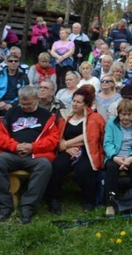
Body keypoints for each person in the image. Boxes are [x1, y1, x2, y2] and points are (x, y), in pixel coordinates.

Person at [0, 85, 59, 224]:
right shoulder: (11, 113)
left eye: (29, 104)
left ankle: (28, 208)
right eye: (22, 103)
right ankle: (4, 206)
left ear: (37, 99)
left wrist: (33, 147)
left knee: (45, 166)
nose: (25, 107)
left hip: (36, 155)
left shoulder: (47, 116)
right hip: (12, 152)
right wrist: (15, 146)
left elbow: (53, 140)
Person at [45, 86, 105, 214]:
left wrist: (67, 143)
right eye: (74, 101)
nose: (75, 104)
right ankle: (53, 199)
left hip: (87, 150)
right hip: (67, 150)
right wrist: (66, 147)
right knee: (58, 166)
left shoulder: (95, 118)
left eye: (79, 102)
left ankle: (89, 201)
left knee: (84, 169)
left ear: (86, 104)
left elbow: (90, 137)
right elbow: (58, 136)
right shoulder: (65, 117)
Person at [103, 98, 132, 217]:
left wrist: (130, 158)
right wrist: (115, 157)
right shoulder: (111, 123)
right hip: (114, 155)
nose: (125, 118)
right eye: (123, 114)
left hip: (131, 156)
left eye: (129, 114)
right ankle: (111, 202)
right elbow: (107, 143)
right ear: (118, 113)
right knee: (111, 167)